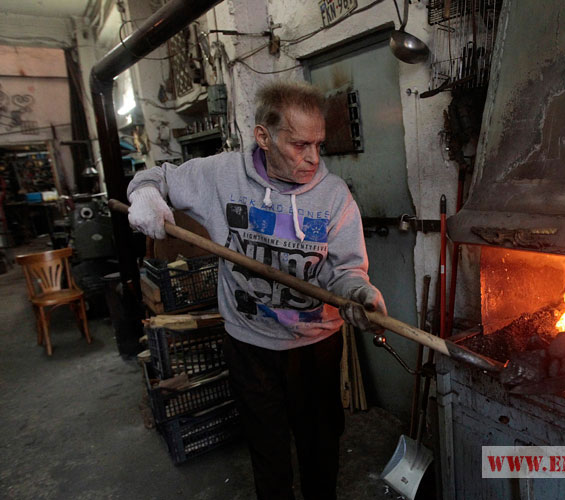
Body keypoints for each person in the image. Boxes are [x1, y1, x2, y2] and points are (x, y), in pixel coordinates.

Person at [126, 80, 387, 499]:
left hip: (315, 345)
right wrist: (145, 195)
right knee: (268, 452)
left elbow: (346, 270)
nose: (313, 157)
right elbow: (155, 176)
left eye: (319, 143)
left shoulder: (335, 197)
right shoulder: (221, 175)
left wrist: (357, 293)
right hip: (249, 343)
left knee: (320, 447)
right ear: (263, 137)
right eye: (300, 144)